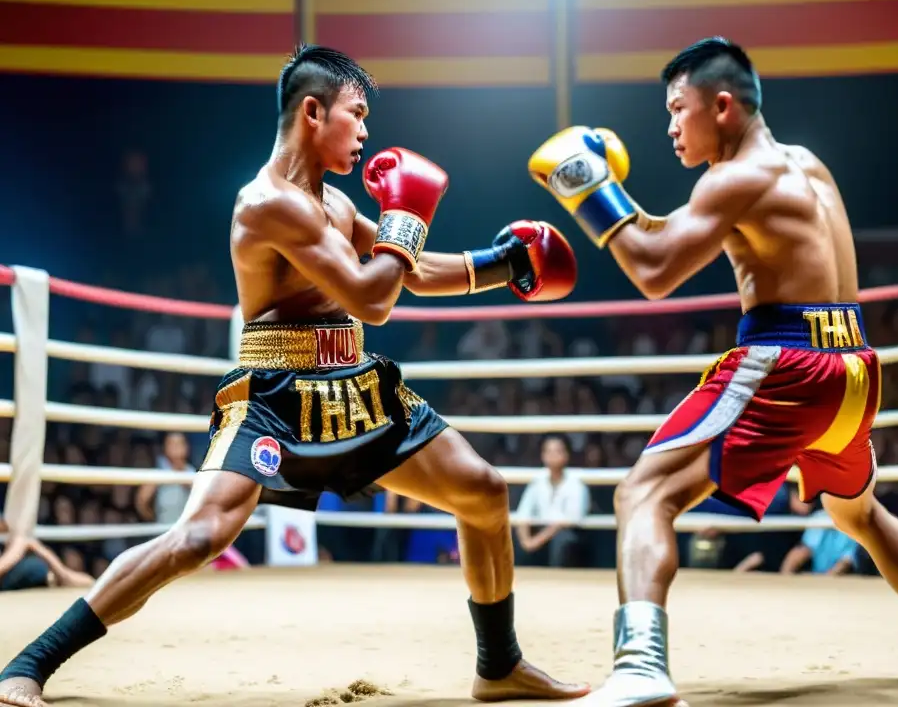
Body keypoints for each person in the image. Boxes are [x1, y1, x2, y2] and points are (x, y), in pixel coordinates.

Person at [0, 44, 587, 707]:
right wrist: (408, 214)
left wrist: (503, 264)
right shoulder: (266, 204)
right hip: (276, 395)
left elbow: (411, 269)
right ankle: (29, 663)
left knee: (481, 490)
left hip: (356, 387)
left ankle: (499, 664)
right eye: (356, 115)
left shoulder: (332, 203)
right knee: (199, 537)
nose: (367, 133)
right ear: (313, 112)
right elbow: (376, 298)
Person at [528, 37, 898, 706]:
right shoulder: (806, 165)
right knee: (857, 511)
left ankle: (640, 668)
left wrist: (588, 190)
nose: (668, 127)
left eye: (676, 109)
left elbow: (654, 271)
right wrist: (617, 199)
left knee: (644, 495)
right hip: (853, 367)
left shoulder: (732, 178)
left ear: (721, 105)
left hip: (787, 362)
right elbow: (674, 231)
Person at [515, 434, 591, 567]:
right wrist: (525, 540)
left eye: (558, 451)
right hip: (540, 530)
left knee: (562, 540)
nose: (552, 455)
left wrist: (536, 541)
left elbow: (570, 519)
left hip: (565, 532)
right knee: (513, 536)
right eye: (548, 451)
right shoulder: (537, 480)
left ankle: (559, 581)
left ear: (566, 455)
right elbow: (523, 512)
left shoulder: (576, 482)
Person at [0, 522, 94, 593]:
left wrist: (35, 547)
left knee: (86, 581)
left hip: (47, 577)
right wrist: (19, 547)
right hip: (36, 577)